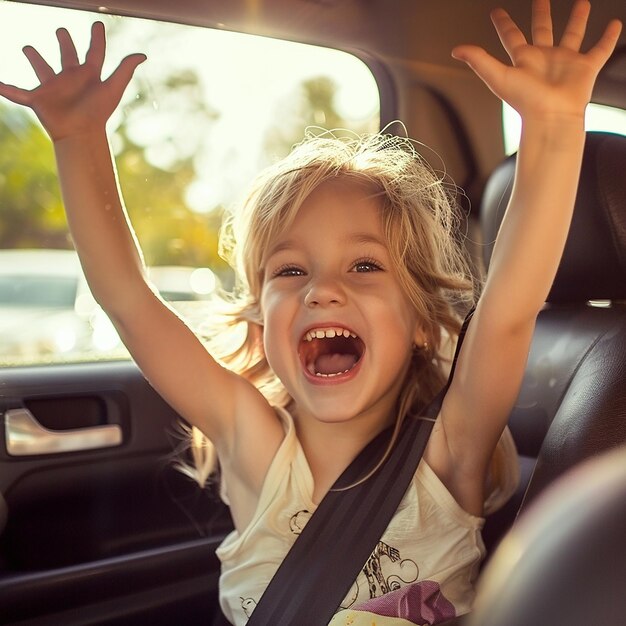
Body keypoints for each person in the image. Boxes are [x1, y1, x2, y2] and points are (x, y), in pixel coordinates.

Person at [0, 1, 620, 624]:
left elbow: (511, 306)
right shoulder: (255, 442)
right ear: (262, 321)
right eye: (291, 270)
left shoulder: (447, 452)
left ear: (420, 326)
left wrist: (555, 124)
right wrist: (79, 139)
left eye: (365, 266)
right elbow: (129, 301)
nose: (321, 291)